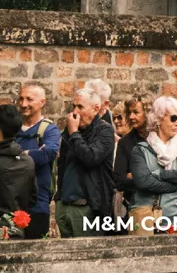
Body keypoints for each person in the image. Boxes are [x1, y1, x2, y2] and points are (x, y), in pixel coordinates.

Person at [55, 87, 116, 237]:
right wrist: (59, 200)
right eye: (73, 106)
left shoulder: (104, 130)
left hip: (87, 208)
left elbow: (91, 158)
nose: (75, 112)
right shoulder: (70, 131)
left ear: (96, 109)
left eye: (80, 107)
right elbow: (62, 165)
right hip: (64, 205)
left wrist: (74, 133)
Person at [130, 96, 177, 234]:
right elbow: (143, 182)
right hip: (146, 219)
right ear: (158, 120)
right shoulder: (140, 150)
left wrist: (158, 174)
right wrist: (175, 184)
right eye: (173, 118)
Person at [14, 83, 60, 238]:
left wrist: (19, 155)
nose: (23, 104)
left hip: (38, 204)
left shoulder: (49, 129)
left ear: (42, 102)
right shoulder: (13, 128)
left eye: (29, 99)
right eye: (21, 99)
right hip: (11, 203)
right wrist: (33, 153)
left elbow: (47, 154)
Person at [114, 96, 147, 226]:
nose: (131, 117)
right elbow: (119, 181)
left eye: (136, 112)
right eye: (129, 113)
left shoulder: (157, 137)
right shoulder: (125, 143)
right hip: (137, 207)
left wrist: (135, 175)